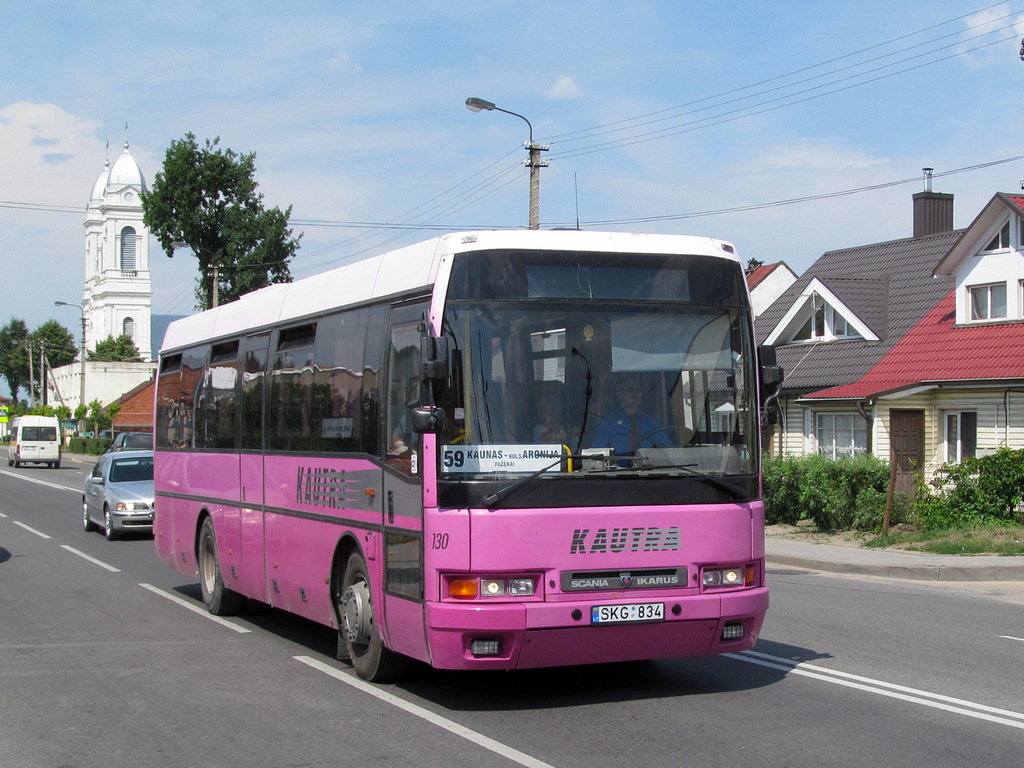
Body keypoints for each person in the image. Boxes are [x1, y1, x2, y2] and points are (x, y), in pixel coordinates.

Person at [591, 376, 670, 456]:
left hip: (648, 466)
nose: (635, 393)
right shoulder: (608, 423)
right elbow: (596, 454)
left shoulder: (651, 422)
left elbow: (666, 449)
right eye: (630, 389)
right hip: (619, 468)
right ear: (618, 394)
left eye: (638, 390)